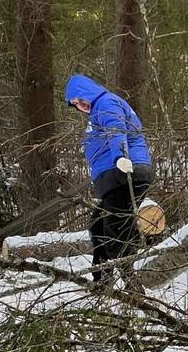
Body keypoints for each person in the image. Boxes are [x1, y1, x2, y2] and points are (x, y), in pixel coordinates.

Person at [65, 74, 154, 285]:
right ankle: (102, 280)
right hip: (115, 176)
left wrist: (120, 158)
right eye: (76, 105)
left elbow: (116, 130)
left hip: (125, 172)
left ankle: (132, 284)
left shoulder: (106, 103)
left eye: (79, 100)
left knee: (116, 228)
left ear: (87, 92)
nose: (80, 106)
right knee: (98, 225)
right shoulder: (98, 109)